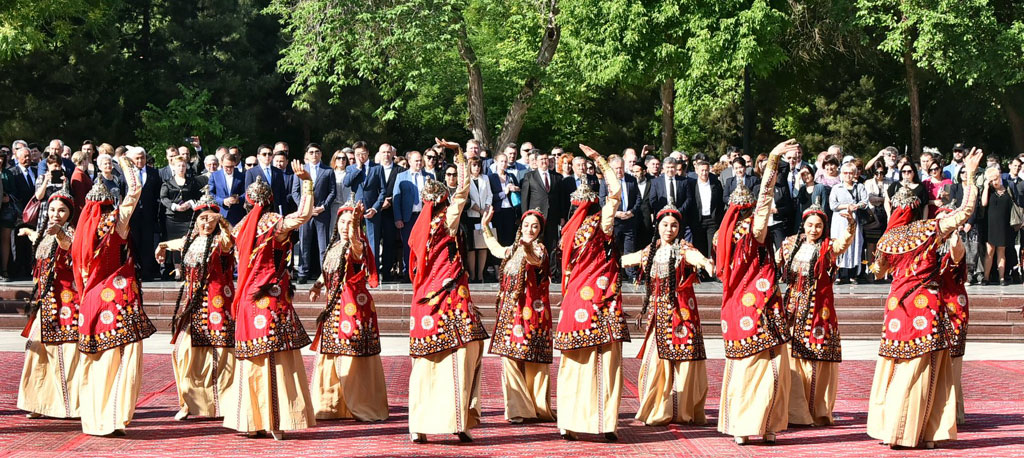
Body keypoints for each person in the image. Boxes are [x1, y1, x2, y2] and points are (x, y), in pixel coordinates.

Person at [866, 147, 983, 449]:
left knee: (893, 365)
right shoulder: (930, 229)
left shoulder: (888, 239)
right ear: (921, 208)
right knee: (922, 368)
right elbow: (966, 211)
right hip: (924, 305)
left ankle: (889, 427)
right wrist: (969, 174)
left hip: (896, 306)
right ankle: (916, 432)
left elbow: (878, 271)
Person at [714, 139, 800, 445]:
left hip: (740, 305)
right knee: (768, 367)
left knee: (744, 367)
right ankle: (762, 424)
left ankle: (747, 424)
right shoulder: (752, 231)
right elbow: (765, 199)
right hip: (758, 305)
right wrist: (773, 160)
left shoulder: (724, 236)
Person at [226, 161, 316, 439]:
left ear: (247, 202)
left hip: (246, 298)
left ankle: (251, 419)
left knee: (252, 357)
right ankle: (277, 419)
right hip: (271, 297)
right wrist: (307, 183)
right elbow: (302, 215)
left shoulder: (239, 227)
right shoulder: (274, 223)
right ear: (270, 201)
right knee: (276, 356)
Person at [406, 140, 489, 443]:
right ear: (442, 200)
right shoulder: (446, 220)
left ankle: (433, 422)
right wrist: (460, 156)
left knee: (432, 361)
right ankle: (452, 420)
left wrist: (460, 157)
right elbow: (464, 191)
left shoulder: (421, 226)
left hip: (429, 299)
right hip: (447, 297)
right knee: (460, 355)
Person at [72, 153, 157, 436]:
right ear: (110, 204)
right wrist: (124, 163)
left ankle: (94, 418)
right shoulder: (115, 223)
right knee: (121, 360)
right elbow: (135, 190)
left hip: (90, 299)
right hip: (118, 298)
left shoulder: (83, 231)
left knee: (94, 362)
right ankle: (115, 416)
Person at [554, 145, 629, 442]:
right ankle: (578, 421)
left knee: (595, 360)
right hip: (592, 297)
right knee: (589, 361)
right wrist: (600, 162)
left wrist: (600, 162)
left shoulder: (597, 223)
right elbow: (615, 194)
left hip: (595, 296)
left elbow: (614, 195)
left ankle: (599, 421)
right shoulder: (580, 229)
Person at [622, 205, 714, 426]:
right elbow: (627, 259)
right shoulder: (650, 251)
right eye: (665, 225)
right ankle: (657, 408)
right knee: (655, 362)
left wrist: (707, 264)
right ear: (658, 226)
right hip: (659, 316)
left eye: (674, 226)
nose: (669, 229)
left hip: (682, 313)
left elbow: (697, 258)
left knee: (684, 360)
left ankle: (683, 410)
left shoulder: (683, 250)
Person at [155, 190, 236, 421]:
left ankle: (221, 404)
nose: (206, 222)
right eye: (202, 218)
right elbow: (176, 243)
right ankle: (191, 402)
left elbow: (231, 239)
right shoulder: (190, 240)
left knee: (219, 352)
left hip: (218, 303)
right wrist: (161, 245)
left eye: (211, 218)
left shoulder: (222, 241)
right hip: (192, 305)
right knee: (184, 352)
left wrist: (222, 221)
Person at [308, 200, 389, 422]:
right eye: (342, 222)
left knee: (352, 353)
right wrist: (317, 285)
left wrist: (355, 224)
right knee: (331, 354)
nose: (345, 226)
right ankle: (331, 405)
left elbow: (355, 244)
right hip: (333, 308)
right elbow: (328, 271)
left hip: (354, 308)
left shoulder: (357, 244)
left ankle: (360, 404)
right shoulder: (334, 246)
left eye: (349, 222)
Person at [777, 205, 855, 426]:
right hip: (792, 308)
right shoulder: (790, 244)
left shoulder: (828, 247)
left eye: (819, 225)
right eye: (810, 225)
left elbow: (844, 243)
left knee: (814, 356)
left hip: (818, 309)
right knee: (791, 356)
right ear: (804, 224)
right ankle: (793, 410)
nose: (814, 229)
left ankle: (813, 410)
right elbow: (774, 264)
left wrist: (850, 225)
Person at [480, 206, 555, 424]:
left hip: (533, 313)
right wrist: (485, 226)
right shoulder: (513, 249)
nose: (530, 229)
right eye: (526, 225)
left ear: (540, 230)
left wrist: (527, 248)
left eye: (535, 226)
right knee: (510, 358)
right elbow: (495, 249)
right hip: (510, 313)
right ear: (520, 227)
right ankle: (518, 408)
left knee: (534, 361)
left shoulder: (539, 249)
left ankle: (537, 407)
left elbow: (535, 260)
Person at [17, 188, 80, 419]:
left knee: (64, 355)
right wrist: (30, 232)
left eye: (62, 210)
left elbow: (66, 246)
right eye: (53, 209)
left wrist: (60, 233)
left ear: (69, 213)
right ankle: (38, 403)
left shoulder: (71, 233)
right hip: (45, 303)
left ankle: (67, 405)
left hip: (66, 304)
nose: (56, 213)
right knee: (36, 352)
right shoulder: (45, 233)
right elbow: (42, 244)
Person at [933, 204, 968, 425]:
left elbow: (957, 255)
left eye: (949, 219)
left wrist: (954, 234)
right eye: (942, 219)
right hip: (928, 308)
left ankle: (954, 414)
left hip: (953, 309)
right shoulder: (928, 246)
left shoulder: (954, 245)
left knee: (953, 362)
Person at [293, 143, 336, 284]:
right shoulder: (301, 170)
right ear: (307, 154)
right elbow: (295, 192)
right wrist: (306, 208)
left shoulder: (328, 171)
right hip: (306, 213)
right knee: (304, 244)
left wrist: (323, 207)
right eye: (311, 152)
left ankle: (325, 274)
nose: (314, 155)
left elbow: (332, 192)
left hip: (322, 213)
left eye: (317, 152)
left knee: (323, 246)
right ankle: (302, 273)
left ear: (321, 154)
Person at [160, 156, 203, 277]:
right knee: (175, 244)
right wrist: (174, 206)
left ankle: (188, 268)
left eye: (183, 165)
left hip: (188, 217)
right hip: (173, 218)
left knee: (188, 241)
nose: (181, 168)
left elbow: (198, 196)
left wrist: (190, 203)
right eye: (178, 165)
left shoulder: (192, 182)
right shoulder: (167, 183)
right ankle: (178, 270)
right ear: (174, 167)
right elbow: (163, 198)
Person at [393, 151, 433, 279]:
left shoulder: (429, 176)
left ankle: (422, 270)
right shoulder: (401, 176)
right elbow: (396, 198)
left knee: (424, 244)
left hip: (423, 217)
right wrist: (398, 218)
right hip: (408, 217)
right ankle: (408, 271)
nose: (419, 163)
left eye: (420, 160)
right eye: (416, 161)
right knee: (408, 244)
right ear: (409, 162)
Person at [828, 163, 868, 284]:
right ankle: (839, 274)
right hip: (839, 220)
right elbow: (833, 205)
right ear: (841, 174)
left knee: (854, 244)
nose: (848, 175)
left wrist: (856, 206)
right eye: (845, 173)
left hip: (854, 218)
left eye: (851, 173)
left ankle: (853, 274)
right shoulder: (836, 188)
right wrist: (846, 206)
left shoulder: (860, 187)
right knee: (839, 244)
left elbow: (865, 202)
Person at [344, 141, 386, 256]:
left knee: (373, 242)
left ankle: (373, 271)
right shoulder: (351, 168)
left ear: (368, 153)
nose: (360, 156)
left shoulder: (377, 168)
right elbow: (346, 183)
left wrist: (375, 208)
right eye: (357, 154)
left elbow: (383, 191)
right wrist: (358, 168)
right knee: (354, 239)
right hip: (355, 208)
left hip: (371, 208)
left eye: (363, 153)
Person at [980, 167, 1013, 285]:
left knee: (1001, 251)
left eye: (996, 179)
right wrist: (986, 187)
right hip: (990, 225)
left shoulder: (1008, 189)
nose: (995, 182)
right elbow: (983, 203)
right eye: (992, 180)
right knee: (990, 251)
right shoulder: (989, 191)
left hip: (1004, 224)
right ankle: (986, 277)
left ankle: (1002, 278)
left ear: (1000, 177)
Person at [466, 157, 492, 282]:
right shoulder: (466, 180)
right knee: (471, 247)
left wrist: (486, 209)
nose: (477, 168)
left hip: (485, 216)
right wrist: (479, 210)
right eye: (474, 165)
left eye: (478, 165)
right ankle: (472, 274)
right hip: (471, 215)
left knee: (483, 245)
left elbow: (489, 194)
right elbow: (467, 199)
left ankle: (480, 274)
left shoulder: (485, 178)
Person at [488, 152, 522, 246]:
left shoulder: (511, 176)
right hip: (497, 211)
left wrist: (515, 189)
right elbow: (490, 197)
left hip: (510, 210)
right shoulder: (491, 177)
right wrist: (504, 192)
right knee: (499, 237)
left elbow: (519, 189)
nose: (504, 164)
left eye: (505, 161)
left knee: (510, 236)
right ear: (496, 162)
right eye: (501, 161)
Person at [209, 153, 247, 225]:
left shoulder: (241, 176)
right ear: (221, 163)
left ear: (235, 164)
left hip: (237, 214)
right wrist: (222, 201)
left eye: (231, 166)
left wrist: (238, 199)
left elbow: (246, 192)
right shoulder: (214, 176)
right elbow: (210, 194)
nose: (229, 169)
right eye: (226, 166)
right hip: (220, 213)